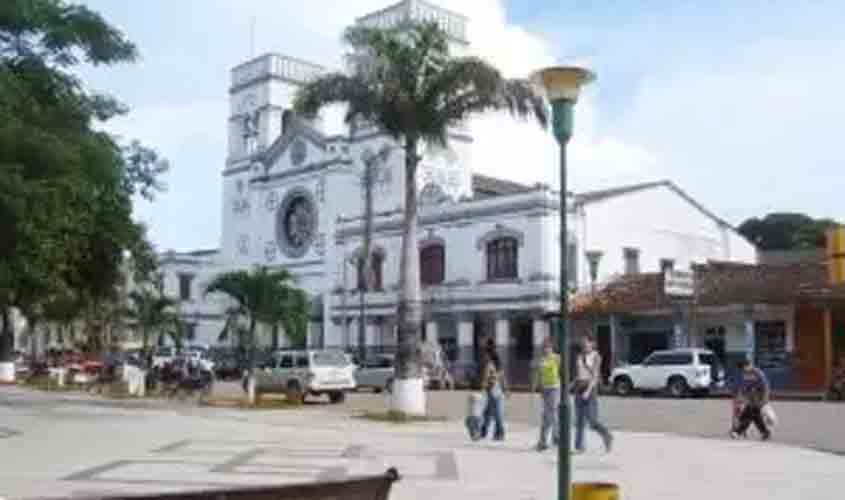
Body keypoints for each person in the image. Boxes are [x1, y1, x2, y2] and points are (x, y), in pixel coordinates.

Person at [573, 335, 613, 453]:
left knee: (592, 420)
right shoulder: (579, 356)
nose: (584, 344)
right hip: (579, 387)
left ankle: (607, 436)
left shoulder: (596, 356)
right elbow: (579, 373)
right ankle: (579, 446)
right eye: (582, 342)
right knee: (579, 419)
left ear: (592, 343)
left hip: (590, 389)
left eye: (586, 342)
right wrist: (572, 384)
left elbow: (595, 376)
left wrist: (588, 391)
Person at [731, 360, 771, 441]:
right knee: (755, 417)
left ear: (749, 365)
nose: (744, 370)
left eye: (744, 368)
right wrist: (742, 397)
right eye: (742, 369)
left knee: (748, 415)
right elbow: (745, 386)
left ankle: (738, 432)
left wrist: (764, 400)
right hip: (751, 399)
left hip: (759, 398)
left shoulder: (758, 373)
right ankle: (765, 432)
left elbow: (765, 387)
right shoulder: (745, 374)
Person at [533, 337, 561, 451]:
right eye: (544, 347)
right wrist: (538, 385)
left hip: (554, 387)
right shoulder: (541, 360)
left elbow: (560, 371)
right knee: (547, 414)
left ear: (551, 348)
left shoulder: (556, 358)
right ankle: (549, 439)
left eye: (548, 347)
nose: (546, 349)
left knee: (552, 413)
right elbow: (539, 374)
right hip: (545, 388)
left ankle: (551, 438)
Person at [479, 339, 507, 441]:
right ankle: (484, 431)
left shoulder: (489, 360)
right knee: (489, 412)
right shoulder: (496, 359)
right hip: (495, 388)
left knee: (495, 412)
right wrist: (505, 388)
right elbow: (502, 375)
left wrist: (484, 384)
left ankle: (499, 433)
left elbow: (488, 374)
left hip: (493, 388)